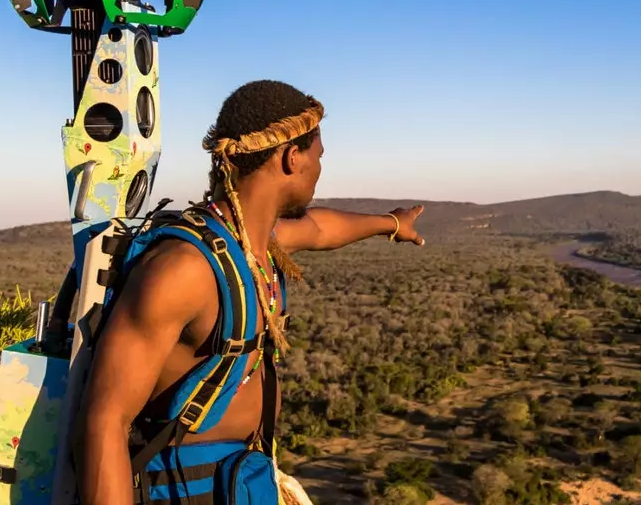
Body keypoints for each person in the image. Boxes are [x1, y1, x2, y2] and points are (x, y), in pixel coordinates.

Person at [75, 80, 425, 504]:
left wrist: (391, 223)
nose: (319, 169)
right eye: (318, 156)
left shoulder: (250, 242)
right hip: (186, 490)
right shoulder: (184, 269)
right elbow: (104, 421)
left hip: (240, 481)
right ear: (291, 158)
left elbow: (319, 229)